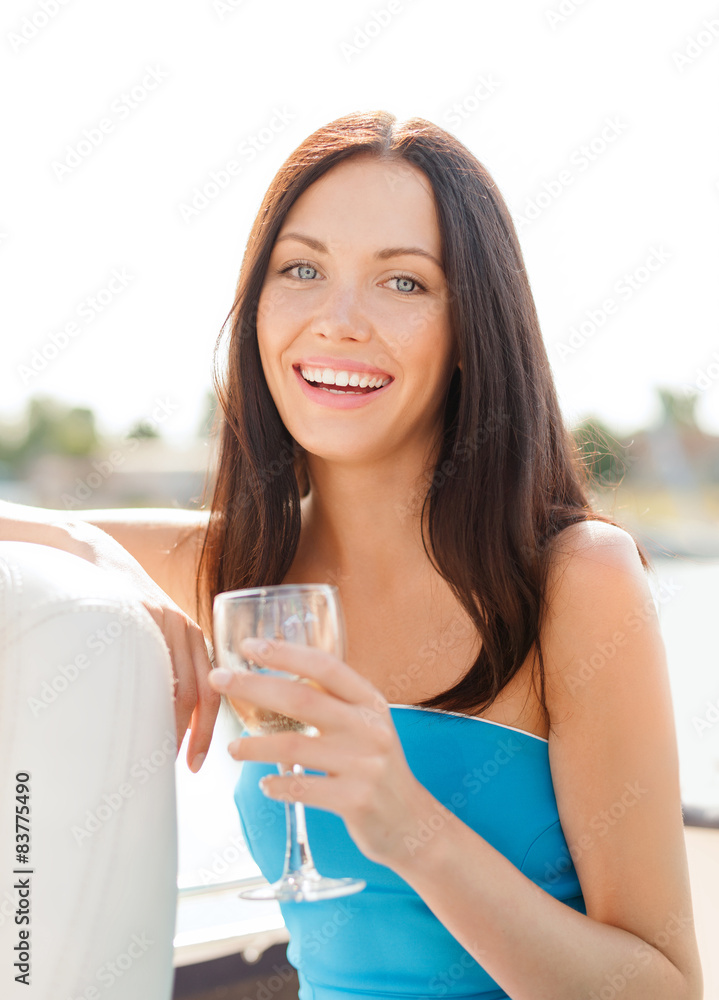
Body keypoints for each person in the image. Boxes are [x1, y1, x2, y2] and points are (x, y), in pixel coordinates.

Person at [0, 111, 703, 999]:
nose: (337, 321)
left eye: (402, 283)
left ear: (469, 330)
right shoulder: (235, 575)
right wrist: (87, 554)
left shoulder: (576, 579)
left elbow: (664, 986)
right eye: (301, 269)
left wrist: (409, 825)